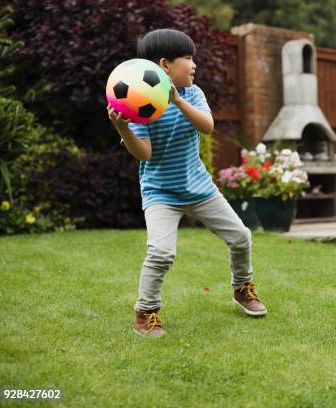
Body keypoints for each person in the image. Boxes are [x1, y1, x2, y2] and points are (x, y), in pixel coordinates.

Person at [107, 29, 266, 337]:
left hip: (199, 187)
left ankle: (242, 289)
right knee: (161, 252)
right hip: (161, 193)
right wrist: (122, 128)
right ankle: (146, 312)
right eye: (188, 58)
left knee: (241, 237)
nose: (194, 64)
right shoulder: (140, 103)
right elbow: (145, 154)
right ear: (165, 65)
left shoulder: (193, 93)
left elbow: (207, 127)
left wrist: (177, 100)